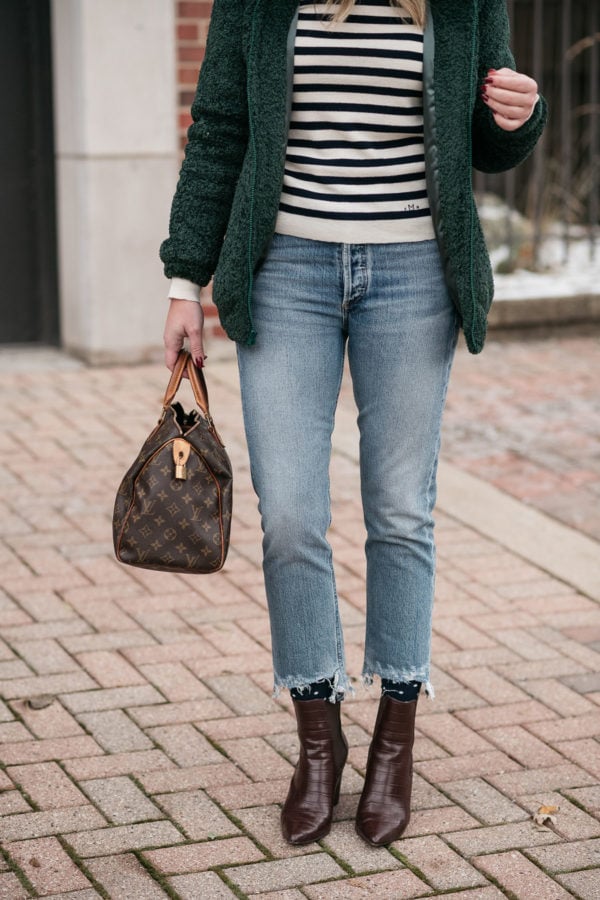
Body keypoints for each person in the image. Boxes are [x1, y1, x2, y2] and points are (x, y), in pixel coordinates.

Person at [160, 0, 546, 847]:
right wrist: (185, 281)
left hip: (413, 272)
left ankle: (395, 745)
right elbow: (220, 126)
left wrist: (520, 115)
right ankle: (318, 736)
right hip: (284, 268)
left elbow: (486, 136)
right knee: (291, 512)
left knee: (401, 508)